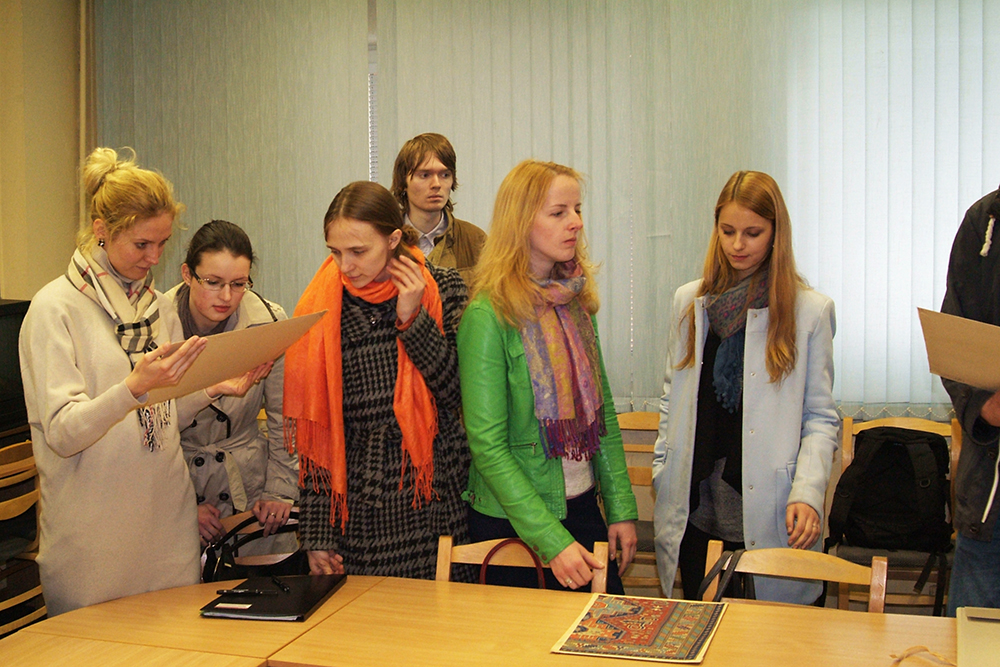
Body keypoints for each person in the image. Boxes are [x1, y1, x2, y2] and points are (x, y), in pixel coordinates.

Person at [18, 147, 209, 615]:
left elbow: (164, 416)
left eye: (163, 243)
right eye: (142, 245)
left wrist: (214, 388)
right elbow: (64, 433)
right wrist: (131, 388)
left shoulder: (157, 307)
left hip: (166, 524)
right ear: (101, 231)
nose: (154, 257)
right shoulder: (54, 309)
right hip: (94, 535)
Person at [651, 170, 838, 604]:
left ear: (776, 234)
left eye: (753, 233)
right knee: (699, 628)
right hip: (696, 508)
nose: (738, 245)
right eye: (728, 231)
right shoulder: (689, 302)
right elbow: (672, 398)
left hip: (770, 510)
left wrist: (808, 492)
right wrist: (664, 467)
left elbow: (820, 419)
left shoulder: (809, 311)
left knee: (771, 634)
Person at [457, 160, 638, 593]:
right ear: (520, 222)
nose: (575, 222)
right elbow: (488, 448)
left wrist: (620, 507)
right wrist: (552, 541)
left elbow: (602, 414)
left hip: (582, 508)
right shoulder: (487, 315)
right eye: (558, 212)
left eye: (577, 209)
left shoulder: (575, 301)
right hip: (513, 524)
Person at [283, 180, 471, 579]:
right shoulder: (322, 306)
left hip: (431, 496)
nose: (345, 266)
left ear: (393, 239)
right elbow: (319, 433)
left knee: (439, 614)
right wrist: (316, 533)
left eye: (358, 251)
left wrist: (412, 318)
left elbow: (455, 392)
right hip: (357, 508)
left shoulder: (443, 288)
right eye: (335, 252)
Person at [165, 220, 299, 552]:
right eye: (213, 282)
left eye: (239, 284)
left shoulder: (268, 322)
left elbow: (285, 415)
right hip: (176, 482)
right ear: (187, 274)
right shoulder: (156, 324)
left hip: (251, 487)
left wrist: (280, 489)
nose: (227, 296)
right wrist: (179, 506)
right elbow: (147, 433)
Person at [940, 182, 1000, 616]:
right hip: (991, 502)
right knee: (970, 639)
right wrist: (983, 408)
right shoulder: (986, 221)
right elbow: (955, 339)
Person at [390, 133, 486, 285]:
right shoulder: (386, 240)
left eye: (445, 175)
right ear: (403, 182)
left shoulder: (475, 240)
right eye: (425, 175)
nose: (436, 184)